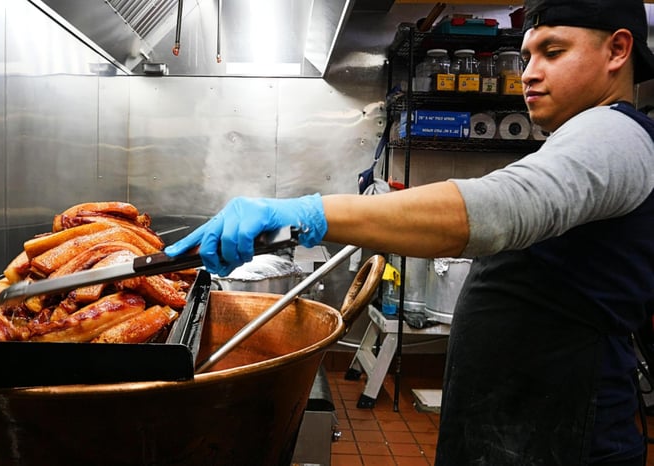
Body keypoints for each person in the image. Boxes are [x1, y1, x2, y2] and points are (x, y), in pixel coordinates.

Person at [165, 0, 654, 464]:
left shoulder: (614, 136)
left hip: (566, 436)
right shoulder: (579, 139)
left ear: (617, 50)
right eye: (526, 56)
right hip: (522, 425)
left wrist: (306, 215)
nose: (528, 73)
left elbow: (499, 210)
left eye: (553, 51)